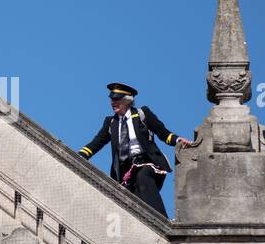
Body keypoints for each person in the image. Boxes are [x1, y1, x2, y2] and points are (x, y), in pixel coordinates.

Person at [77, 83, 193, 217]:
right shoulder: (111, 123)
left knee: (143, 177)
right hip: (125, 170)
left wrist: (178, 140)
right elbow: (96, 143)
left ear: (127, 100)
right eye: (111, 99)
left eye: (116, 99)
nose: (112, 102)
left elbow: (164, 133)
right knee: (131, 200)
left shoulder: (142, 114)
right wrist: (80, 155)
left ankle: (161, 219)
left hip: (147, 162)